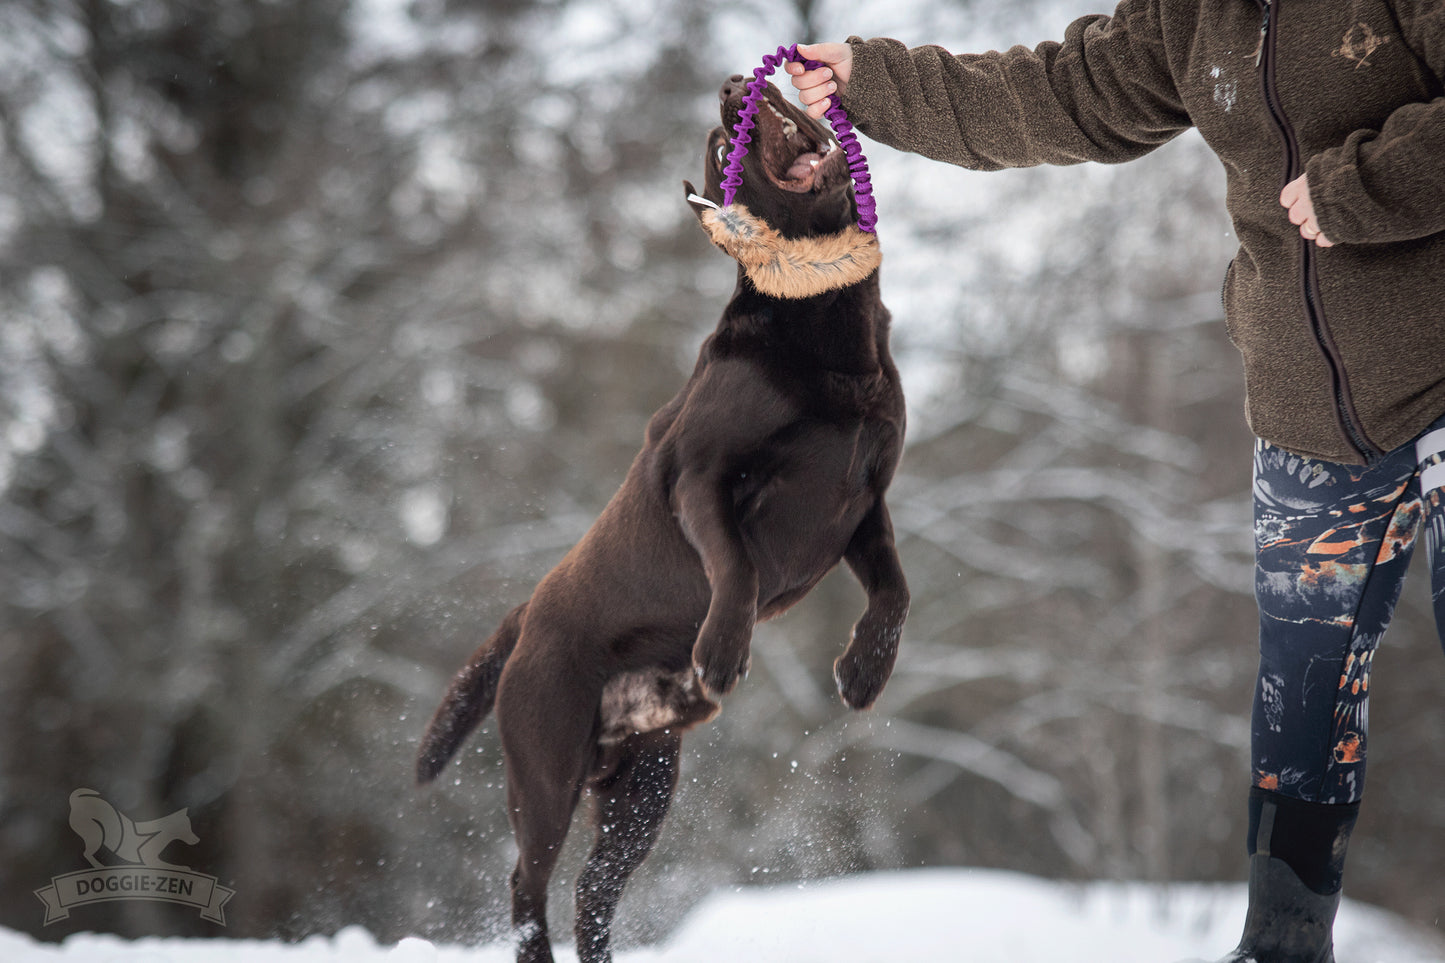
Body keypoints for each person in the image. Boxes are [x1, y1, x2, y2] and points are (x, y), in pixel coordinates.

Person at [786, 5, 1445, 962]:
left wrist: (1361, 189)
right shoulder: (1190, 15)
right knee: (1301, 697)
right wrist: (872, 80)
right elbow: (1065, 92)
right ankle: (1281, 944)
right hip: (1309, 412)